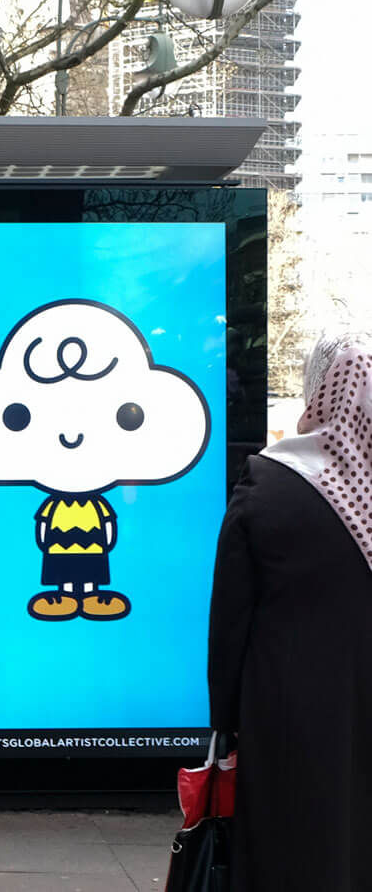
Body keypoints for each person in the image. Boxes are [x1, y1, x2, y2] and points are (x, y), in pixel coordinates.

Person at [208, 335, 372, 892]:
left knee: (288, 843)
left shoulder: (270, 482)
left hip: (286, 708)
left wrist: (224, 722)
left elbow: (230, 618)